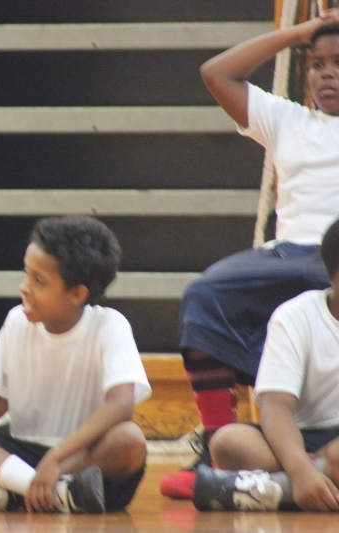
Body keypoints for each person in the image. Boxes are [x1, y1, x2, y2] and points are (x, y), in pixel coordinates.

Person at [161, 10, 339, 500]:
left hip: (337, 260)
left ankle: (288, 471)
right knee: (203, 295)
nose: (328, 73)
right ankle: (217, 450)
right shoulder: (288, 119)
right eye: (318, 64)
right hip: (288, 256)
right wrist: (299, 33)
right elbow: (216, 73)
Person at [0, 216, 151, 513]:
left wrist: (56, 459)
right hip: (20, 452)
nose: (24, 287)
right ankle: (55, 493)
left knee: (130, 440)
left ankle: (10, 491)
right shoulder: (17, 321)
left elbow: (121, 405)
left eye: (38, 280)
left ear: (76, 294)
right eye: (26, 274)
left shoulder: (110, 326)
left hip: (80, 457)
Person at [193, 216, 339, 512]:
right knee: (228, 442)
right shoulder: (295, 316)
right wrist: (300, 469)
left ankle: (265, 490)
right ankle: (311, 482)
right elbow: (276, 406)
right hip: (296, 440)